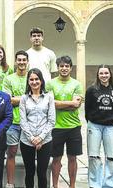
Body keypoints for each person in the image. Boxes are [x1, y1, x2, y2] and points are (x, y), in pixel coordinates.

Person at [46, 56, 83, 188]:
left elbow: (77, 105)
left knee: (73, 158)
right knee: (56, 159)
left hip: (74, 126)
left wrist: (60, 104)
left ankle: (72, 185)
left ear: (71, 68)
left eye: (67, 66)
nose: (64, 68)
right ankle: (55, 185)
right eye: (61, 66)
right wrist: (70, 103)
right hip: (56, 126)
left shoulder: (77, 84)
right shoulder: (50, 83)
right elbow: (50, 104)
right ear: (57, 68)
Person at [85, 65, 113, 188]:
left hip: (111, 127)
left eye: (106, 73)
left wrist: (110, 120)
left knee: (111, 157)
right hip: (94, 126)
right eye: (101, 73)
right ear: (98, 75)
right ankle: (95, 184)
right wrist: (92, 121)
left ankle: (109, 184)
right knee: (93, 156)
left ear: (110, 74)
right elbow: (87, 109)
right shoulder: (91, 90)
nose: (104, 75)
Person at [19, 68, 55, 188]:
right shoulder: (24, 98)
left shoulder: (49, 97)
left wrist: (40, 138)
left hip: (45, 140)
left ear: (41, 80)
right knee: (29, 172)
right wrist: (32, 138)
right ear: (28, 82)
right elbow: (23, 120)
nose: (34, 82)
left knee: (42, 173)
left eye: (37, 79)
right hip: (27, 141)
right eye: (31, 79)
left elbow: (51, 121)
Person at [2, 50, 29, 188]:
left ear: (27, 61)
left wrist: (17, 99)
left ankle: (28, 183)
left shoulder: (32, 78)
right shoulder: (8, 79)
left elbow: (36, 98)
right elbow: (8, 100)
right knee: (11, 153)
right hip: (12, 122)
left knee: (28, 154)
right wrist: (26, 98)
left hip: (29, 123)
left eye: (24, 60)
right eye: (19, 60)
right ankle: (10, 183)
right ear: (15, 61)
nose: (22, 62)